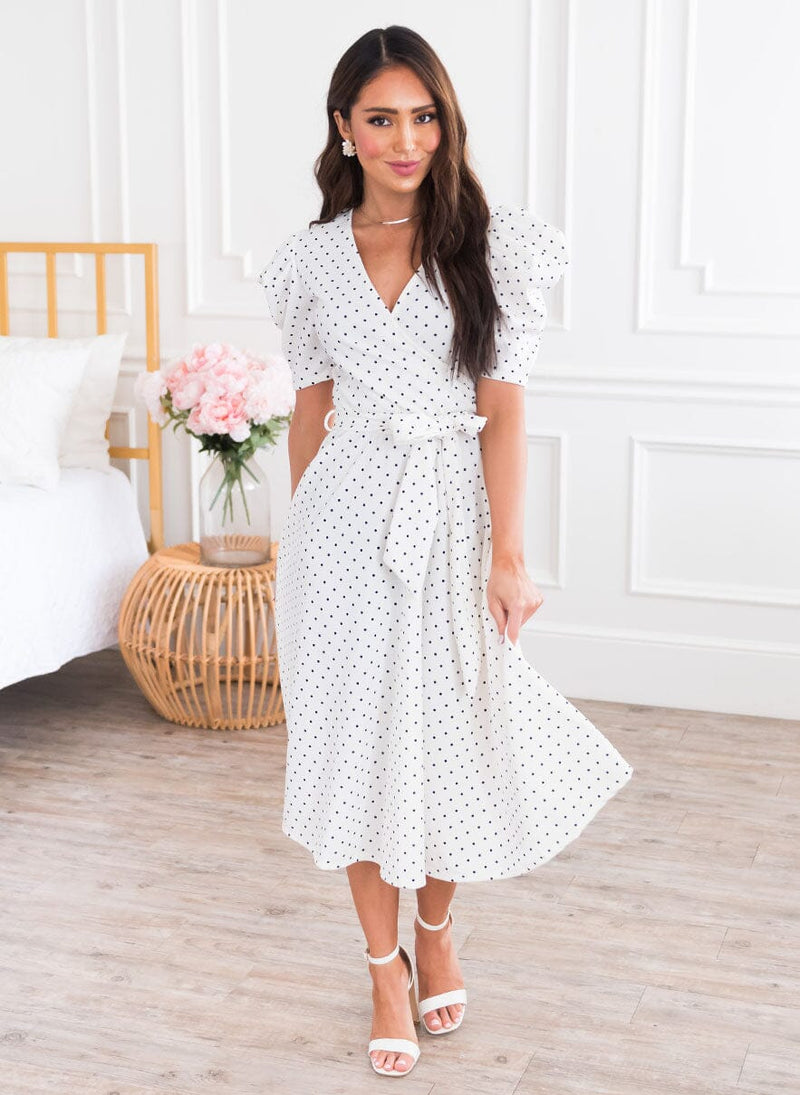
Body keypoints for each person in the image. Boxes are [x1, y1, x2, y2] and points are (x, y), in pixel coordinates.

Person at [258, 24, 634, 1079]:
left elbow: (502, 413)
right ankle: (383, 969)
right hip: (340, 530)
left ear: (445, 123)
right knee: (352, 752)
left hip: (451, 522)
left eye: (423, 117)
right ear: (344, 127)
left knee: (445, 745)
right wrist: (303, 546)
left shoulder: (491, 246)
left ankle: (435, 931)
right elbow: (311, 413)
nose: (405, 140)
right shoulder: (308, 262)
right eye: (381, 119)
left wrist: (508, 556)